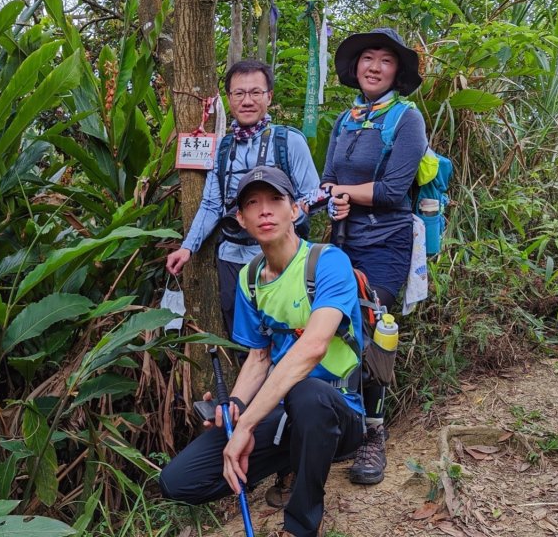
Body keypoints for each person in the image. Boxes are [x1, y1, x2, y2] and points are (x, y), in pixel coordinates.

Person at [159, 166, 364, 537]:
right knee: (178, 480)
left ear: (296, 210)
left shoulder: (328, 262)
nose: (264, 211)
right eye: (252, 203)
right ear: (241, 218)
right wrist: (235, 406)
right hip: (283, 411)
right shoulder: (249, 277)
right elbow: (258, 357)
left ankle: (300, 525)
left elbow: (313, 347)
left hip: (337, 409)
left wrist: (248, 425)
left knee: (308, 395)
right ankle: (286, 460)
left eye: (275, 200)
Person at [323, 27, 427, 486]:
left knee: (370, 326)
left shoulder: (407, 119)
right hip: (342, 241)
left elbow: (392, 191)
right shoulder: (344, 119)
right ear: (356, 67)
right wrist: (334, 198)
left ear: (397, 72)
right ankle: (339, 426)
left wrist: (345, 192)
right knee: (333, 326)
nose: (375, 67)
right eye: (368, 58)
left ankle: (373, 435)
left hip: (386, 242)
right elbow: (328, 179)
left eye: (386, 61)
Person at [165, 60, 320, 335]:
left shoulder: (288, 142)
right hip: (232, 256)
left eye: (255, 93)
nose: (247, 101)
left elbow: (311, 195)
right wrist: (187, 247)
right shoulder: (223, 148)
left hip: (283, 256)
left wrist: (280, 228)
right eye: (239, 93)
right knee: (242, 333)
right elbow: (212, 204)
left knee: (288, 328)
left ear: (269, 97)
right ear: (229, 98)